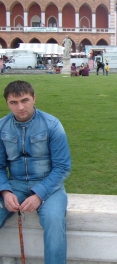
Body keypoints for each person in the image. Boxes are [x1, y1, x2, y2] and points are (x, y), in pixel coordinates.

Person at [0, 80, 71, 264]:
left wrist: (39, 194)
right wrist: (5, 192)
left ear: (34, 98)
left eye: (25, 100)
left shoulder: (52, 125)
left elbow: (62, 167)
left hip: (49, 185)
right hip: (14, 184)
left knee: (54, 221)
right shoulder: (1, 127)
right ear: (7, 103)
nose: (20, 107)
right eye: (13, 103)